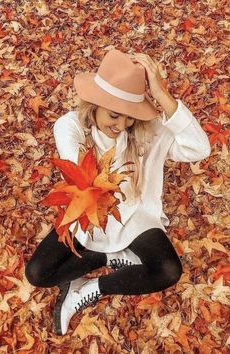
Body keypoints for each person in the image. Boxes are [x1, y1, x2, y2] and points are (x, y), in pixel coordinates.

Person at [25, 49, 211, 336]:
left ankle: (91, 287)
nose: (121, 126)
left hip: (134, 218)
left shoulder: (147, 132)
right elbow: (88, 183)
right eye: (114, 115)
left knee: (168, 271)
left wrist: (161, 94)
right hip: (88, 218)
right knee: (38, 273)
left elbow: (200, 148)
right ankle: (108, 258)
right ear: (95, 104)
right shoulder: (69, 127)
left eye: (129, 118)